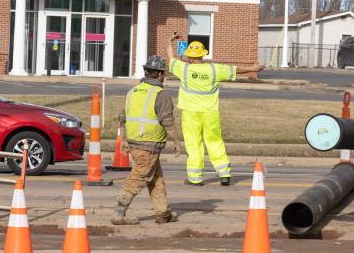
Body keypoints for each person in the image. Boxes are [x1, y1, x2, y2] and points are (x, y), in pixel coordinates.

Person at [168, 33, 263, 186]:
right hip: (210, 112)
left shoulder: (183, 69)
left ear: (190, 57)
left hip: (191, 113)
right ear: (203, 56)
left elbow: (171, 58)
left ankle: (195, 178)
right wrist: (254, 68)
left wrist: (169, 41)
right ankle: (224, 173)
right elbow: (236, 69)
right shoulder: (214, 69)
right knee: (215, 142)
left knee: (194, 144)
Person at [111, 55, 184, 225]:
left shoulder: (133, 91)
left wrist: (123, 140)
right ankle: (118, 212)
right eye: (163, 72)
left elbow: (123, 118)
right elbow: (168, 121)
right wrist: (177, 143)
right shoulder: (161, 94)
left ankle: (163, 213)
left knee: (156, 178)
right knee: (138, 178)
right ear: (160, 73)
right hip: (149, 145)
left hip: (135, 142)